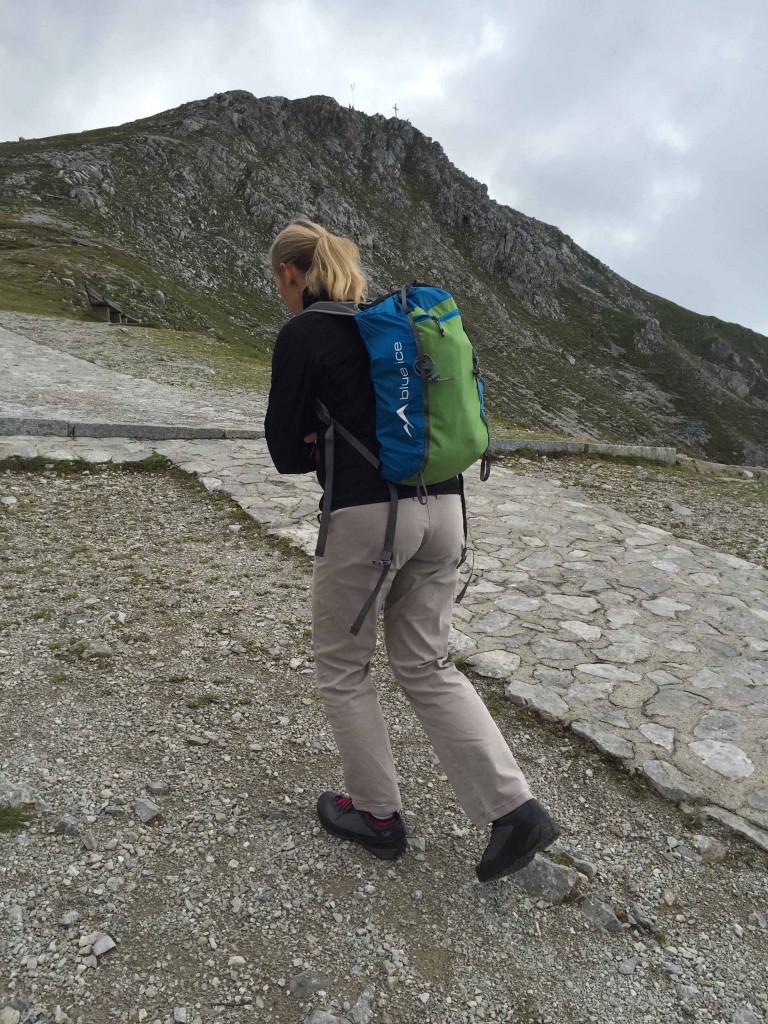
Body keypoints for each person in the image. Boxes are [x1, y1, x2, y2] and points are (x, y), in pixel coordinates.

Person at [264, 218, 560, 881]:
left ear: (290, 274)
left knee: (344, 666)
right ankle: (516, 811)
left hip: (368, 518)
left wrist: (319, 441)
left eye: (279, 283)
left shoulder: (305, 333)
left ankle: (377, 816)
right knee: (426, 663)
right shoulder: (393, 330)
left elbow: (284, 449)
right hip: (446, 512)